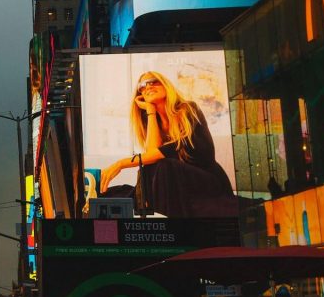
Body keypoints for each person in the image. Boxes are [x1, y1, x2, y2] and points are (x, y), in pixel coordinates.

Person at [99, 71, 235, 218]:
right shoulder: (154, 123)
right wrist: (151, 111)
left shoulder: (188, 109)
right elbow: (152, 157)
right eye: (142, 86)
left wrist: (121, 163)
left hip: (207, 180)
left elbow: (174, 148)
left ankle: (170, 228)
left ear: (165, 85)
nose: (148, 86)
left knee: (165, 165)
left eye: (153, 81)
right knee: (143, 175)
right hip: (177, 186)